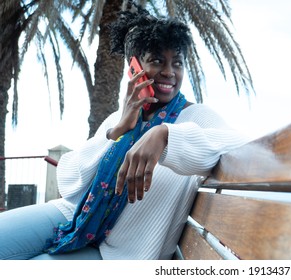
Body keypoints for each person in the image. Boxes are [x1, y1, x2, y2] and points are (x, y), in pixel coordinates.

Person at [0, 5, 248, 260]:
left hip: (119, 252)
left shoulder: (197, 117)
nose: (169, 72)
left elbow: (242, 145)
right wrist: (117, 131)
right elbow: (69, 183)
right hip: (73, 216)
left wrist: (165, 135)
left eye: (177, 63)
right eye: (157, 60)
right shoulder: (119, 118)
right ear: (134, 67)